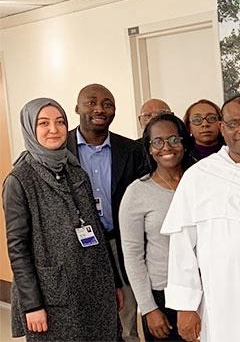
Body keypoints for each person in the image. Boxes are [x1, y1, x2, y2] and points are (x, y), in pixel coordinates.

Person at [161, 94, 240, 342]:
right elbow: (182, 245)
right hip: (219, 298)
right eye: (234, 123)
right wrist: (185, 306)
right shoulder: (199, 175)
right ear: (222, 127)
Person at [4, 98, 119, 341]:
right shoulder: (19, 180)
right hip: (53, 294)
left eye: (60, 122)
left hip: (94, 285)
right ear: (30, 128)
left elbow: (95, 229)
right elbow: (18, 249)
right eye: (43, 123)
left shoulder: (74, 169)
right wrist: (32, 305)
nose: (54, 130)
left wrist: (114, 282)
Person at [66, 83, 148, 342]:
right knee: (83, 322)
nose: (99, 109)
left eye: (107, 104)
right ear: (77, 106)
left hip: (119, 245)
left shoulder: (132, 150)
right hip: (75, 249)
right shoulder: (59, 149)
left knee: (126, 321)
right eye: (91, 102)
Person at [120, 114, 195, 341]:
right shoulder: (137, 192)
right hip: (162, 295)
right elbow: (133, 256)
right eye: (157, 142)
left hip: (205, 288)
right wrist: (149, 308)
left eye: (174, 139)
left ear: (184, 142)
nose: (166, 147)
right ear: (149, 149)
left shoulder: (201, 182)